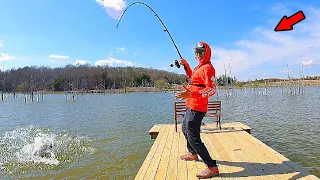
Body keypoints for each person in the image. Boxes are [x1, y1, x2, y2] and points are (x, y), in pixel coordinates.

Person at [174, 41, 219, 179]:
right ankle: (192, 153)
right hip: (191, 104)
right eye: (196, 52)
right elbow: (192, 78)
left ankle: (212, 167)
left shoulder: (207, 68)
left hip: (198, 108)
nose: (198, 55)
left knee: (194, 137)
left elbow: (212, 89)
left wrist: (192, 94)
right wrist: (186, 65)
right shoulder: (199, 67)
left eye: (201, 52)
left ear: (207, 53)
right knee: (184, 129)